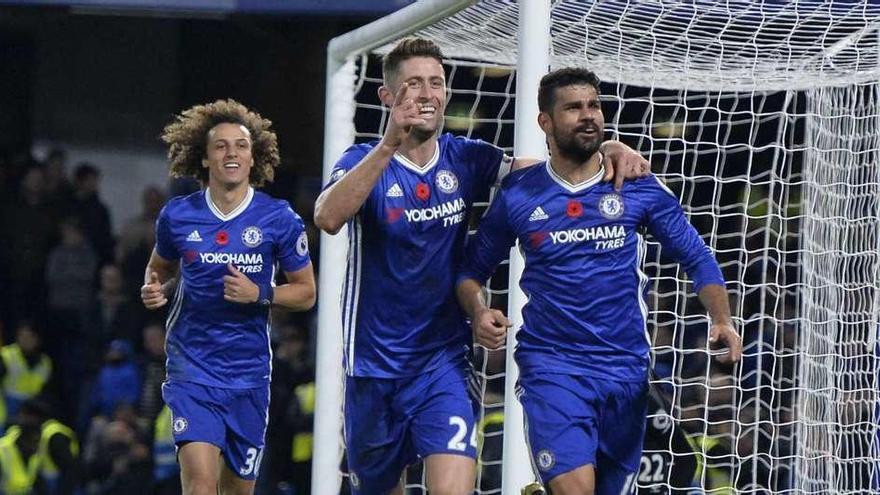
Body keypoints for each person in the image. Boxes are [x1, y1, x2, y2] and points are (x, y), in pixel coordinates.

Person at [314, 37, 648, 495]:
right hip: (373, 365)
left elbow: (549, 173)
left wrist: (603, 147)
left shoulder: (466, 157)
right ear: (388, 97)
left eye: (436, 82)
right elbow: (328, 218)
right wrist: (391, 142)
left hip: (443, 359)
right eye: (412, 84)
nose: (426, 93)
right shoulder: (363, 162)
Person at [455, 67, 743, 495]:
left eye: (594, 105)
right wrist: (478, 311)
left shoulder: (638, 187)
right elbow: (469, 272)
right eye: (573, 108)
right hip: (553, 371)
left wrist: (722, 319)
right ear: (545, 123)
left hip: (626, 374)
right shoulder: (519, 195)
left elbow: (696, 255)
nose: (588, 116)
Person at [141, 99, 317, 495]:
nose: (231, 153)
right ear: (204, 158)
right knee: (200, 485)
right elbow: (160, 267)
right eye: (220, 146)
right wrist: (153, 287)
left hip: (249, 376)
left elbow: (306, 293)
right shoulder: (177, 216)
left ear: (253, 157)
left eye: (240, 145)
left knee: (236, 490)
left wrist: (260, 293)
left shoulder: (279, 218)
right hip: (192, 371)